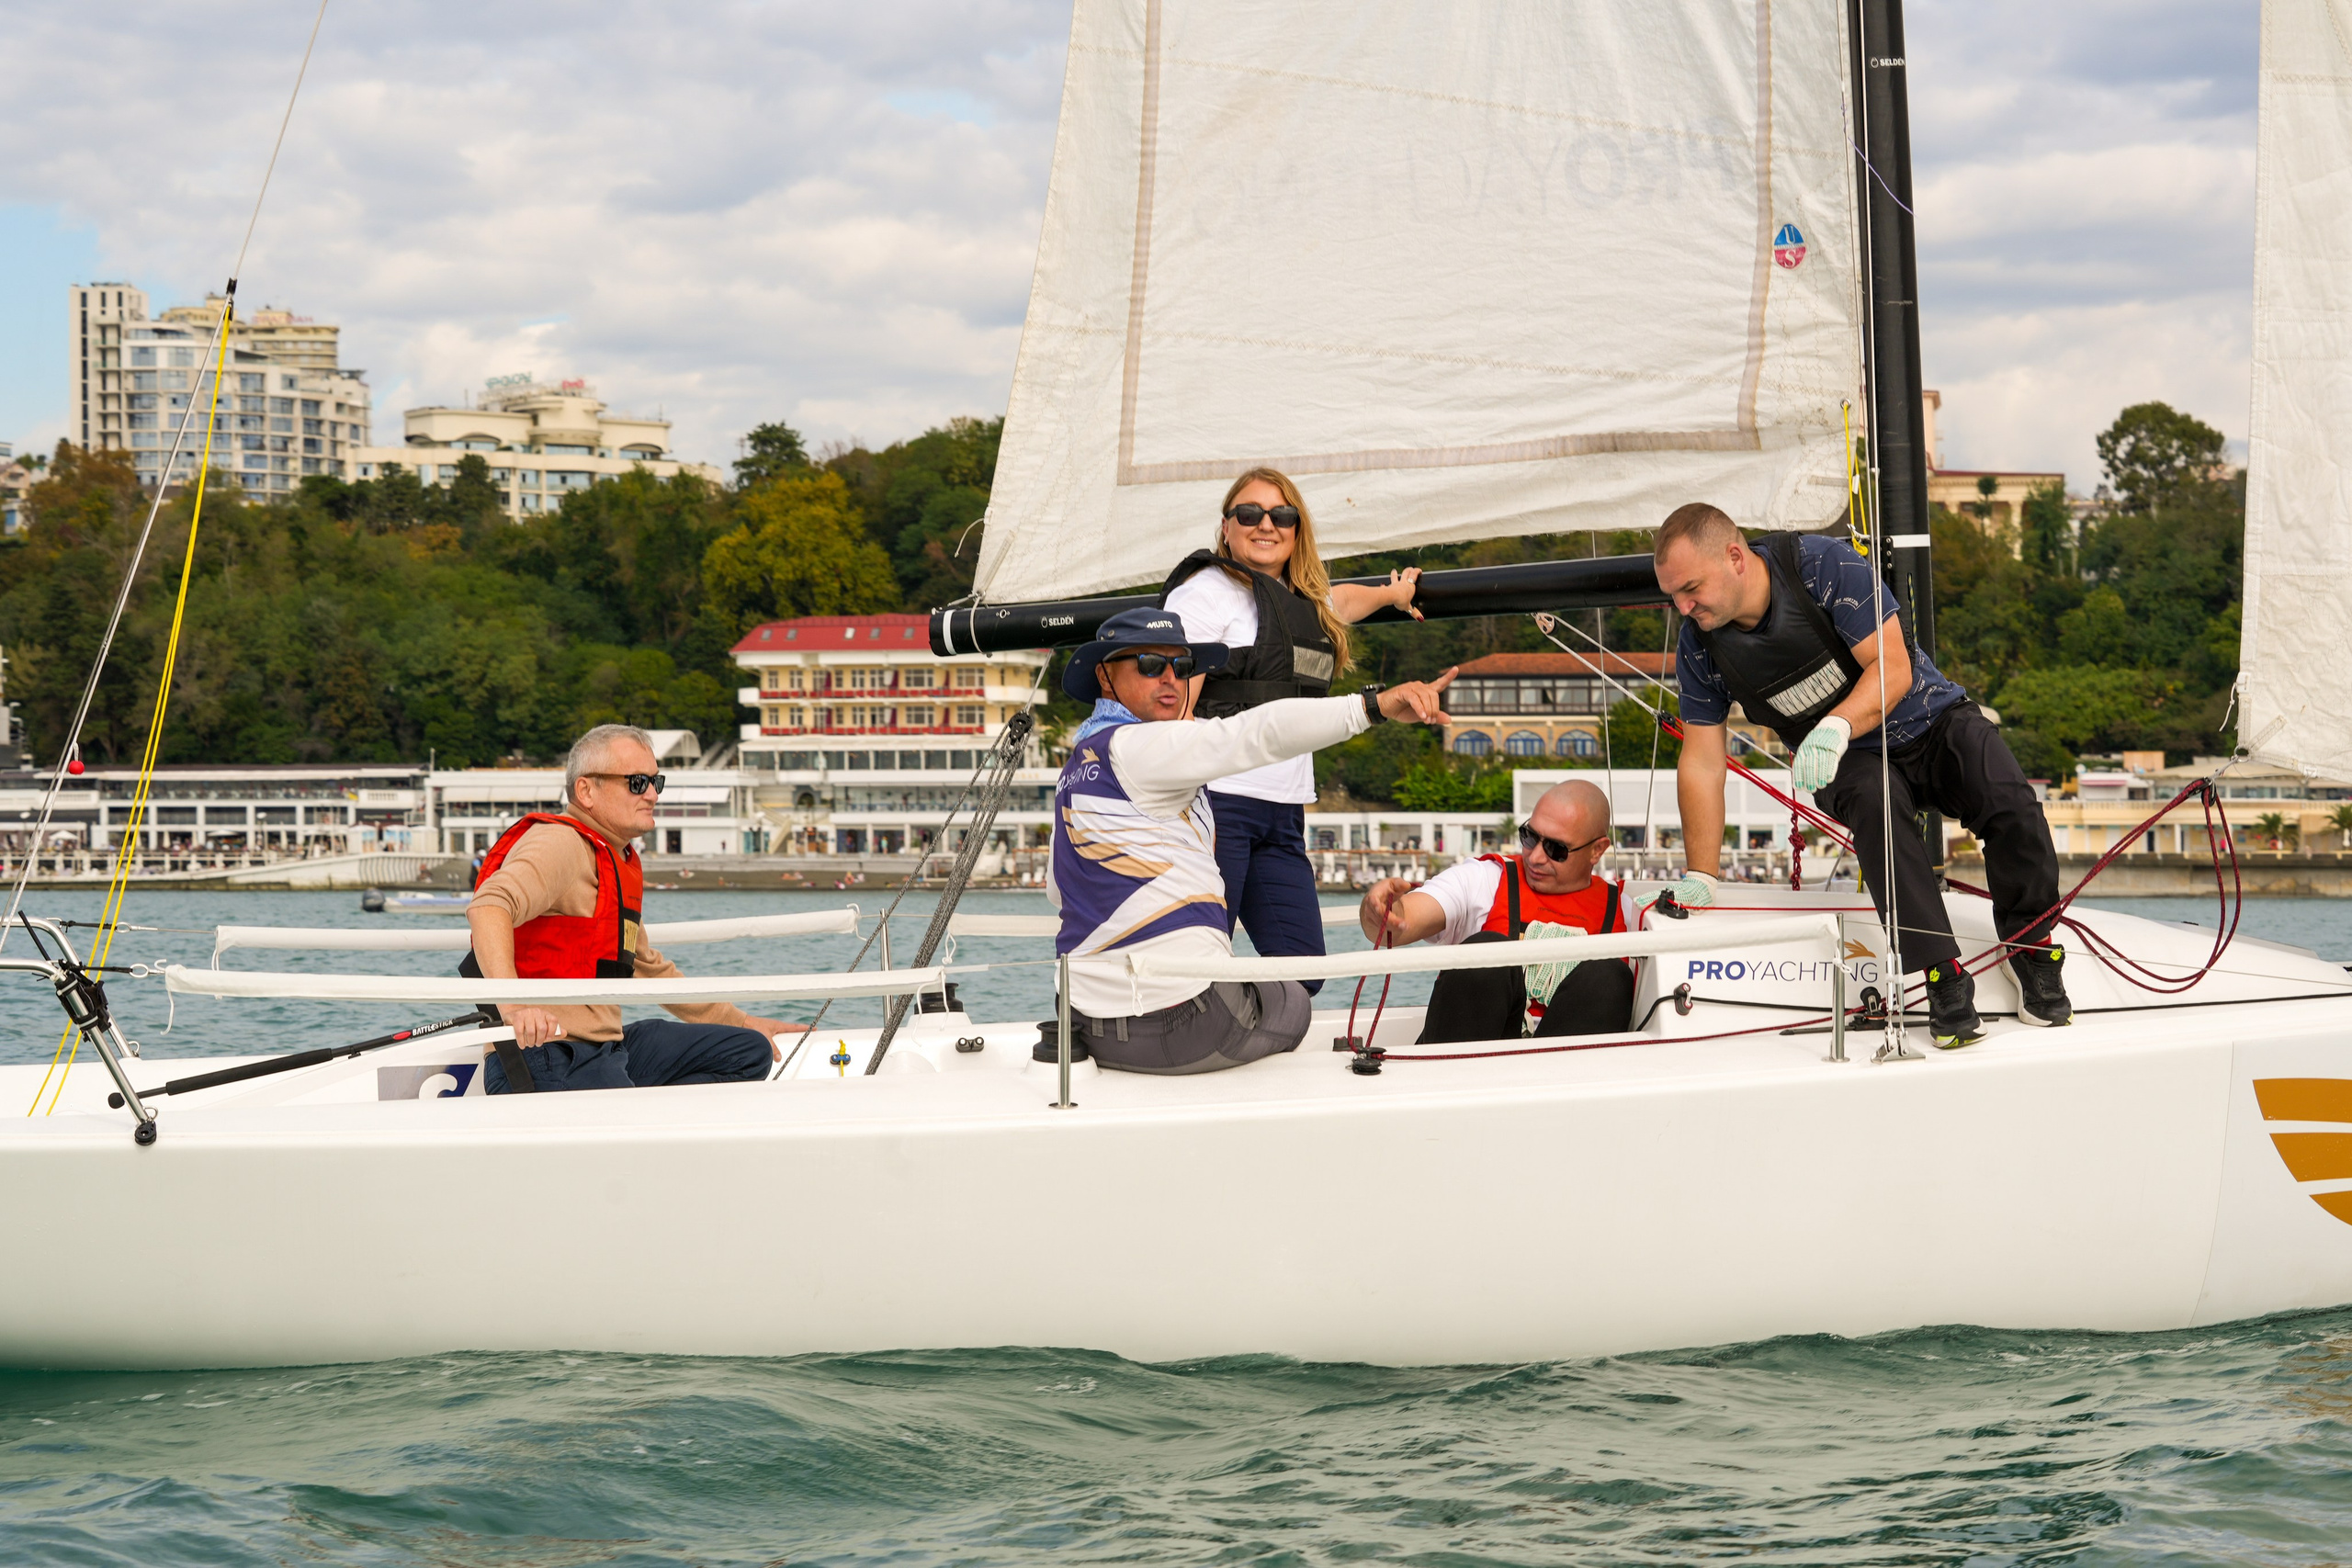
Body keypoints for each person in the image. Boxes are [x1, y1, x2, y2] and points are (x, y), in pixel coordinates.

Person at [1650, 503, 2070, 1047]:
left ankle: (2030, 944)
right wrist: (1702, 874)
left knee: (2010, 800)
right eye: (1673, 596)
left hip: (1929, 720)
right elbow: (1703, 761)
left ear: (1735, 557)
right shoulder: (1699, 646)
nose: (1684, 608)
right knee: (1877, 803)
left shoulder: (1822, 566)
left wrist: (1837, 724)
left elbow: (1892, 667)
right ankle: (1942, 974)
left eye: (1691, 589)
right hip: (1845, 762)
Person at [1049, 605, 1454, 1073]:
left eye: (1182, 666)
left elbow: (1060, 890)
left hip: (1081, 1025)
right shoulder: (1139, 746)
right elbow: (1255, 732)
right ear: (1105, 676)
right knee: (1292, 998)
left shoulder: (1075, 770)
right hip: (1179, 1024)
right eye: (1150, 664)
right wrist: (1370, 707)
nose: (1171, 678)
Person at [1159, 468, 1423, 995]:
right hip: (1218, 804)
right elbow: (1175, 705)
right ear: (1227, 526)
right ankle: (1197, 1034)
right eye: (1249, 514)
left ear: (1297, 528)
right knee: (1194, 965)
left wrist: (1391, 595)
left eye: (1281, 515)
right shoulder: (1204, 596)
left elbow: (1339, 603)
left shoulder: (1300, 599)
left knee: (1304, 972)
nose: (1266, 525)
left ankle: (1240, 1031)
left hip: (1282, 813)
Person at [464, 724, 808, 1093]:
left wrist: (741, 1021)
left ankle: (647, 1118)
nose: (652, 795)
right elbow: (488, 906)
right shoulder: (560, 842)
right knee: (627, 1101)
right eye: (637, 783)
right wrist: (515, 1007)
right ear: (586, 790)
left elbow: (648, 967)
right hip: (544, 1053)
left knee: (748, 1052)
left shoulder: (614, 860)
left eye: (655, 782)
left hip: (603, 1048)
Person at [1358, 780, 1636, 1044]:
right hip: (1472, 1058)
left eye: (1556, 849)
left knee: (1608, 976)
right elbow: (1404, 921)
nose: (1536, 857)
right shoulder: (1484, 879)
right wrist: (1383, 912)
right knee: (1487, 952)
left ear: (1596, 851)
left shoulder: (1628, 910)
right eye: (1529, 837)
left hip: (1562, 1069)